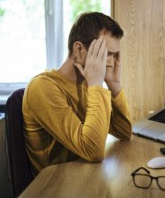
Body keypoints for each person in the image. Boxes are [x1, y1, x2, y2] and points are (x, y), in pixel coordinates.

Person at [22, 12, 132, 176]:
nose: (110, 62)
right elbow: (93, 151)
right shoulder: (42, 87)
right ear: (79, 49)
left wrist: (114, 85)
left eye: (114, 55)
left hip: (82, 174)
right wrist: (95, 84)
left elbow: (123, 131)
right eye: (106, 53)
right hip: (54, 185)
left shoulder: (86, 84)